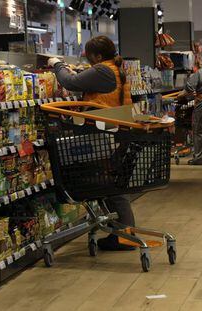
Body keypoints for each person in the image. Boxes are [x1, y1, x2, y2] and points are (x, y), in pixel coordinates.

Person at [48, 36, 135, 251]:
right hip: (114, 132)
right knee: (112, 186)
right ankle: (122, 234)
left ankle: (124, 236)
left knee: (112, 187)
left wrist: (57, 64)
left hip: (106, 135)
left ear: (97, 56)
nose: (88, 62)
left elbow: (69, 82)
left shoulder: (103, 70)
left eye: (89, 57)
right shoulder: (113, 69)